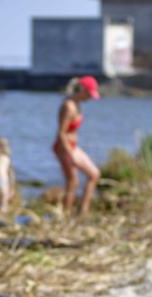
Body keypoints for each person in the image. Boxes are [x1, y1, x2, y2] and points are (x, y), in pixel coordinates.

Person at [52, 76, 101, 215]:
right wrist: (69, 154)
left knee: (94, 174)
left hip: (72, 146)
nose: (90, 98)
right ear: (83, 90)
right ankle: (66, 215)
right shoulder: (68, 106)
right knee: (72, 182)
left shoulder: (77, 104)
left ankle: (82, 211)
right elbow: (61, 133)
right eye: (89, 94)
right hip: (64, 147)